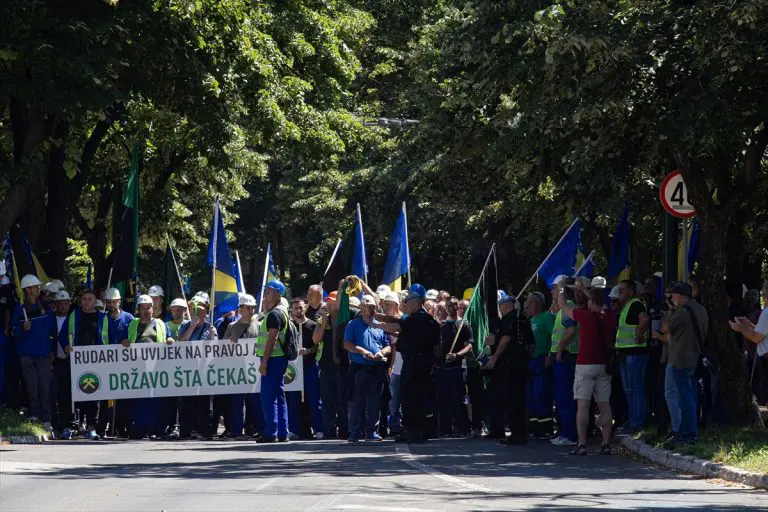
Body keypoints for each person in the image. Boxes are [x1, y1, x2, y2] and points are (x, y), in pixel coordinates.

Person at [375, 284, 441, 443]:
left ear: (416, 303)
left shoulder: (416, 319)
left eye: (408, 302)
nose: (405, 304)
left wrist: (376, 325)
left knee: (410, 398)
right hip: (425, 363)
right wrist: (379, 317)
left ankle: (412, 431)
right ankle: (423, 430)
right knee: (421, 397)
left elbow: (397, 325)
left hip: (414, 363)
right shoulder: (429, 320)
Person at [558, 287, 616, 455]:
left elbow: (564, 305)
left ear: (591, 302)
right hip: (604, 365)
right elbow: (602, 307)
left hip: (585, 364)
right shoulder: (610, 317)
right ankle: (605, 444)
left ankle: (582, 444)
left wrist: (562, 289)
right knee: (604, 405)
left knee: (583, 404)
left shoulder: (586, 317)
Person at [60, 288, 111, 439]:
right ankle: (72, 426)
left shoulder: (103, 317)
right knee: (73, 393)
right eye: (84, 299)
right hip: (76, 361)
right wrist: (66, 346)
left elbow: (110, 338)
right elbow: (62, 335)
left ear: (95, 301)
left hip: (96, 362)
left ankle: (91, 426)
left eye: (90, 299)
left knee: (93, 393)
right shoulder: (73, 316)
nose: (86, 302)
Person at [120, 294, 173, 439]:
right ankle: (139, 429)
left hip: (157, 367)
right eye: (142, 308)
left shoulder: (161, 324)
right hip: (137, 368)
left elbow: (168, 337)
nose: (145, 311)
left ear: (153, 308)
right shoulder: (131, 324)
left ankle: (158, 429)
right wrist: (123, 341)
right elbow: (122, 339)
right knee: (139, 400)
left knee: (156, 400)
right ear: (138, 309)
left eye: (148, 308)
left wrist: (169, 339)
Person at [663, 282, 707, 447]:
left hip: (680, 359)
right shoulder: (701, 309)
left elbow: (666, 327)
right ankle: (688, 431)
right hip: (695, 358)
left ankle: (688, 434)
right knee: (691, 397)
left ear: (680, 296)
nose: (671, 299)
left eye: (673, 296)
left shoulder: (682, 312)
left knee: (684, 399)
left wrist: (670, 311)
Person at [486, 294, 534, 445]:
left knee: (511, 399)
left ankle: (516, 434)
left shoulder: (508, 319)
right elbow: (531, 344)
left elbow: (506, 339)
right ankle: (521, 432)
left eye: (501, 306)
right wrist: (524, 357)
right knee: (520, 398)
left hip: (509, 364)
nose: (500, 309)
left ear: (505, 306)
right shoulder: (524, 320)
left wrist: (495, 355)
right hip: (521, 363)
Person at [344, 294, 390, 441]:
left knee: (374, 402)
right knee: (356, 402)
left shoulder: (380, 325)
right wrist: (363, 351)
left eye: (369, 306)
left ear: (375, 308)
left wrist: (381, 353)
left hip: (376, 367)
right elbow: (347, 344)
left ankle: (372, 432)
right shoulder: (353, 324)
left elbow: (388, 345)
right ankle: (355, 432)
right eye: (363, 306)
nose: (366, 308)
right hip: (359, 367)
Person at [12, 275, 54, 432]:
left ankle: (47, 419)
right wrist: (22, 329)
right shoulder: (19, 310)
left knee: (44, 387)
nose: (38, 289)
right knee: (31, 387)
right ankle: (34, 415)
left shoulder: (45, 308)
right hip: (26, 355)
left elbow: (51, 331)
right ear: (27, 290)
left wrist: (51, 350)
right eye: (35, 287)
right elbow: (13, 332)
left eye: (37, 286)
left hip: (43, 354)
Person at [177, 294, 217, 440]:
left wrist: (213, 338)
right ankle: (186, 431)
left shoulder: (210, 328)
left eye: (201, 310)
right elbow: (181, 343)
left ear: (206, 312)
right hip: (188, 371)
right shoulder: (185, 326)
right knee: (186, 402)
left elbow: (217, 349)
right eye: (195, 310)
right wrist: (192, 326)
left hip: (205, 371)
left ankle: (205, 431)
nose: (198, 313)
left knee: (205, 404)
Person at [256, 279, 291, 443]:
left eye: (269, 291)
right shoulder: (280, 311)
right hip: (278, 359)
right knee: (279, 395)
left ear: (277, 293)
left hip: (273, 359)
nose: (266, 293)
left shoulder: (275, 314)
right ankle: (282, 432)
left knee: (268, 397)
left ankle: (270, 432)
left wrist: (264, 361)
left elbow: (272, 338)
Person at [225, 293, 264, 438]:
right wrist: (230, 342)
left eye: (252, 307)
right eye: (248, 308)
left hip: (254, 370)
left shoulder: (260, 326)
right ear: (240, 309)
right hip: (237, 369)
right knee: (236, 402)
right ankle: (236, 431)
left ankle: (261, 429)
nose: (251, 310)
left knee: (256, 402)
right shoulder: (231, 326)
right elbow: (223, 347)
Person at [312, 290, 350, 439]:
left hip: (342, 366)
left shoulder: (344, 319)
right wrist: (323, 325)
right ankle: (329, 430)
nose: (328, 305)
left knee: (342, 400)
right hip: (326, 366)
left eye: (332, 302)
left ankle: (344, 429)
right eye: (327, 302)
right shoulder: (323, 319)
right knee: (327, 400)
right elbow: (315, 340)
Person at [615, 280, 650, 434]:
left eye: (622, 290)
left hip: (635, 354)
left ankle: (637, 422)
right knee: (629, 389)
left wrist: (639, 335)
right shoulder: (626, 307)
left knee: (635, 389)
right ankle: (632, 419)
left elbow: (645, 319)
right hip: (626, 354)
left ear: (631, 291)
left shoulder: (636, 304)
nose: (619, 293)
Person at [549, 278, 579, 447]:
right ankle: (564, 431)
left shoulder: (568, 307)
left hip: (566, 357)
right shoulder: (562, 309)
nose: (552, 292)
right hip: (562, 356)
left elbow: (571, 329)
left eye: (554, 289)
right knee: (561, 398)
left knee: (565, 396)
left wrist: (560, 349)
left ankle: (569, 434)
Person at [435, 298, 471, 438]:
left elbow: (469, 346)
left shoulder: (463, 324)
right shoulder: (442, 326)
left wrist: (456, 355)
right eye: (448, 305)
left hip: (457, 368)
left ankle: (463, 428)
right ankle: (445, 429)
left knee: (458, 399)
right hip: (442, 368)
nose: (451, 307)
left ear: (457, 307)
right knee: (443, 400)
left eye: (454, 305)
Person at [525, 292, 555, 440]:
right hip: (531, 361)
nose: (527, 305)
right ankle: (534, 427)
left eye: (530, 302)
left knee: (541, 393)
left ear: (538, 303)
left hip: (542, 359)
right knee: (530, 394)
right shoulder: (530, 320)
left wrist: (550, 355)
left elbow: (554, 337)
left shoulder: (546, 317)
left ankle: (546, 428)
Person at [380, 292, 404, 437]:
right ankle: (392, 425)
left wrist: (392, 366)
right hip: (386, 364)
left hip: (399, 365)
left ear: (396, 305)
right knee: (391, 399)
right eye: (385, 304)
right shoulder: (383, 321)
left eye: (389, 304)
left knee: (398, 398)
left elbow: (395, 347)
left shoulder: (401, 320)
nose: (386, 306)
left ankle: (398, 426)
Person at [50, 290, 73, 436]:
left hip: (69, 361)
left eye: (66, 303)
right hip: (53, 361)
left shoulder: (73, 318)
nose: (63, 306)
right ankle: (54, 423)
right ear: (56, 304)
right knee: (53, 393)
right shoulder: (50, 319)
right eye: (60, 303)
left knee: (67, 394)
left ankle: (66, 424)